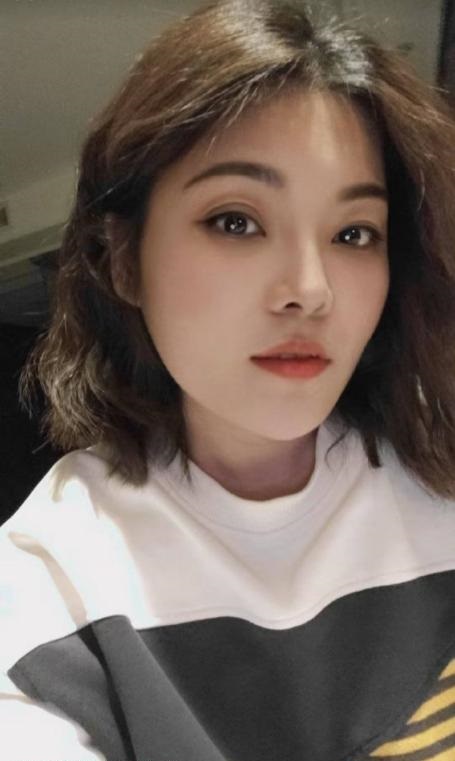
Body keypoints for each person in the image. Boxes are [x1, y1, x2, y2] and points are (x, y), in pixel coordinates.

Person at [2, 0, 455, 759]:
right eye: (236, 221)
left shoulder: (438, 480)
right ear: (124, 260)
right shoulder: (52, 578)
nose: (309, 290)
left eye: (353, 233)